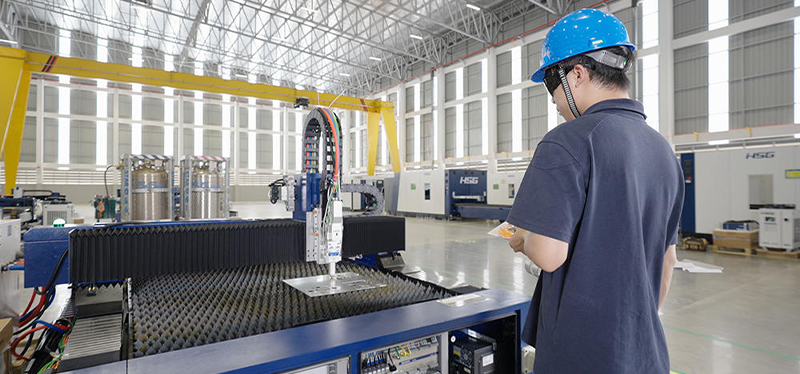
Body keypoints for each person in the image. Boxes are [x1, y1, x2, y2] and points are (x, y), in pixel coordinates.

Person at [506, 8, 684, 374]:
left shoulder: (567, 141)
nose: (554, 102)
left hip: (582, 356)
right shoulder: (662, 149)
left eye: (551, 86)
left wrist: (522, 239)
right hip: (646, 353)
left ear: (576, 75)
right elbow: (668, 261)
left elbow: (549, 254)